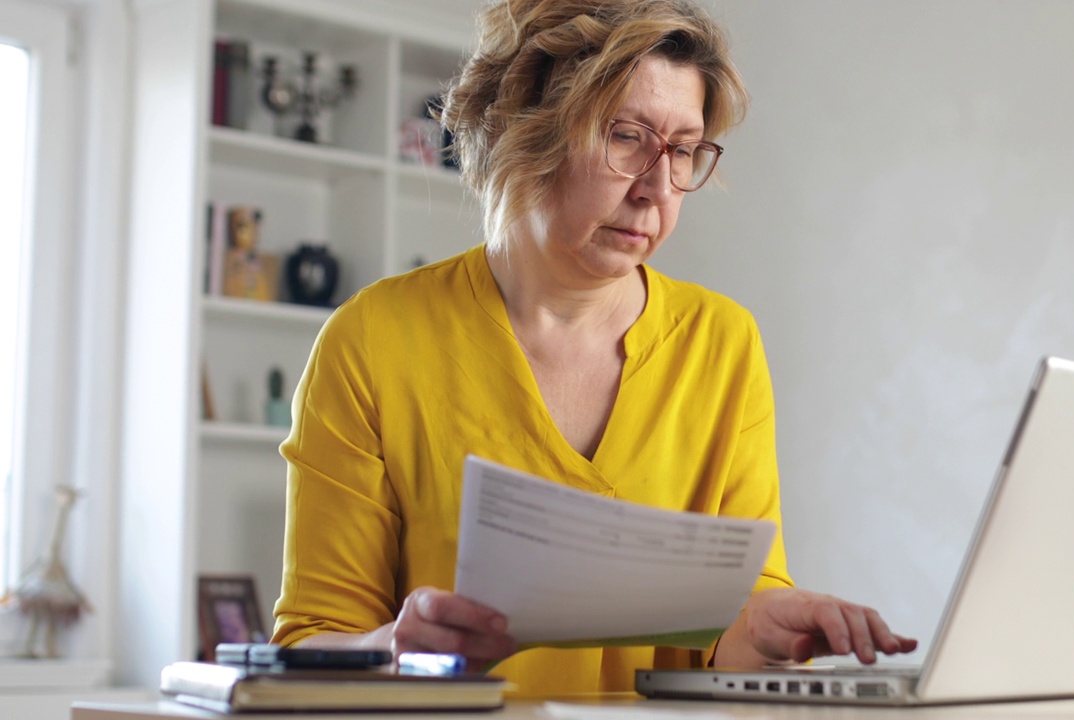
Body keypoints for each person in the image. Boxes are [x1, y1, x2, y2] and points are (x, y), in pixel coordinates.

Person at [271, 0, 917, 696]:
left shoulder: (722, 343)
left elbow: (733, 634)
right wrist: (397, 649)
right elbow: (315, 639)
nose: (657, 188)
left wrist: (762, 632)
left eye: (683, 150)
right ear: (523, 125)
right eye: (625, 136)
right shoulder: (372, 341)